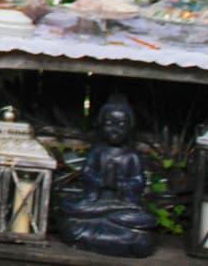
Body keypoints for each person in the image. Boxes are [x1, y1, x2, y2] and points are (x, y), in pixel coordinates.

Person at [58, 95, 157, 257]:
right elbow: (87, 173)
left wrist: (120, 185)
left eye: (121, 124)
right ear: (101, 125)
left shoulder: (132, 156)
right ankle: (108, 225)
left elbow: (138, 181)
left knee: (145, 222)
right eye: (109, 123)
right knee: (69, 209)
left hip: (122, 206)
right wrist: (101, 182)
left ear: (130, 126)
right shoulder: (97, 151)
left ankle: (105, 227)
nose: (115, 129)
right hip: (97, 202)